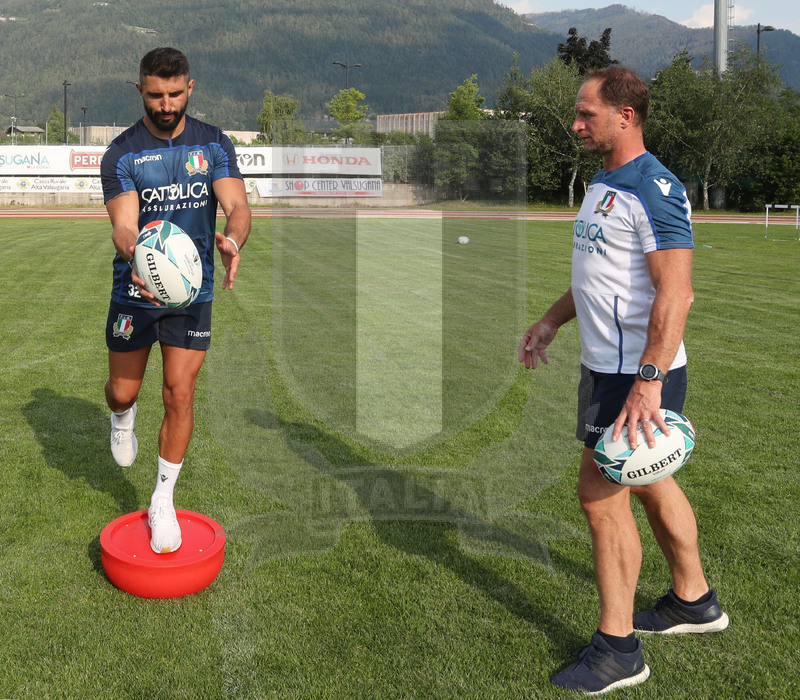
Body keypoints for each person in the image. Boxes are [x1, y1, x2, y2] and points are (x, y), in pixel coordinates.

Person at [518, 66, 728, 694]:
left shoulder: (653, 187)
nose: (576, 123)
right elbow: (599, 276)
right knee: (652, 484)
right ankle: (693, 600)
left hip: (632, 377)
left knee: (598, 495)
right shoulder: (605, 181)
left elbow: (677, 292)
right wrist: (554, 319)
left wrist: (647, 383)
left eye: (587, 114)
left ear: (625, 116)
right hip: (605, 367)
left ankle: (618, 650)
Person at [100, 47, 251, 554]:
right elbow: (124, 224)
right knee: (123, 392)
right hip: (135, 292)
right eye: (155, 94)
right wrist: (139, 254)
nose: (165, 104)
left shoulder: (212, 144)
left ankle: (162, 501)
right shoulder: (121, 153)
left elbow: (237, 206)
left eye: (174, 93)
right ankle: (122, 418)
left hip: (192, 293)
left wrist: (232, 238)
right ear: (139, 90)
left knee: (179, 393)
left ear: (190, 88)